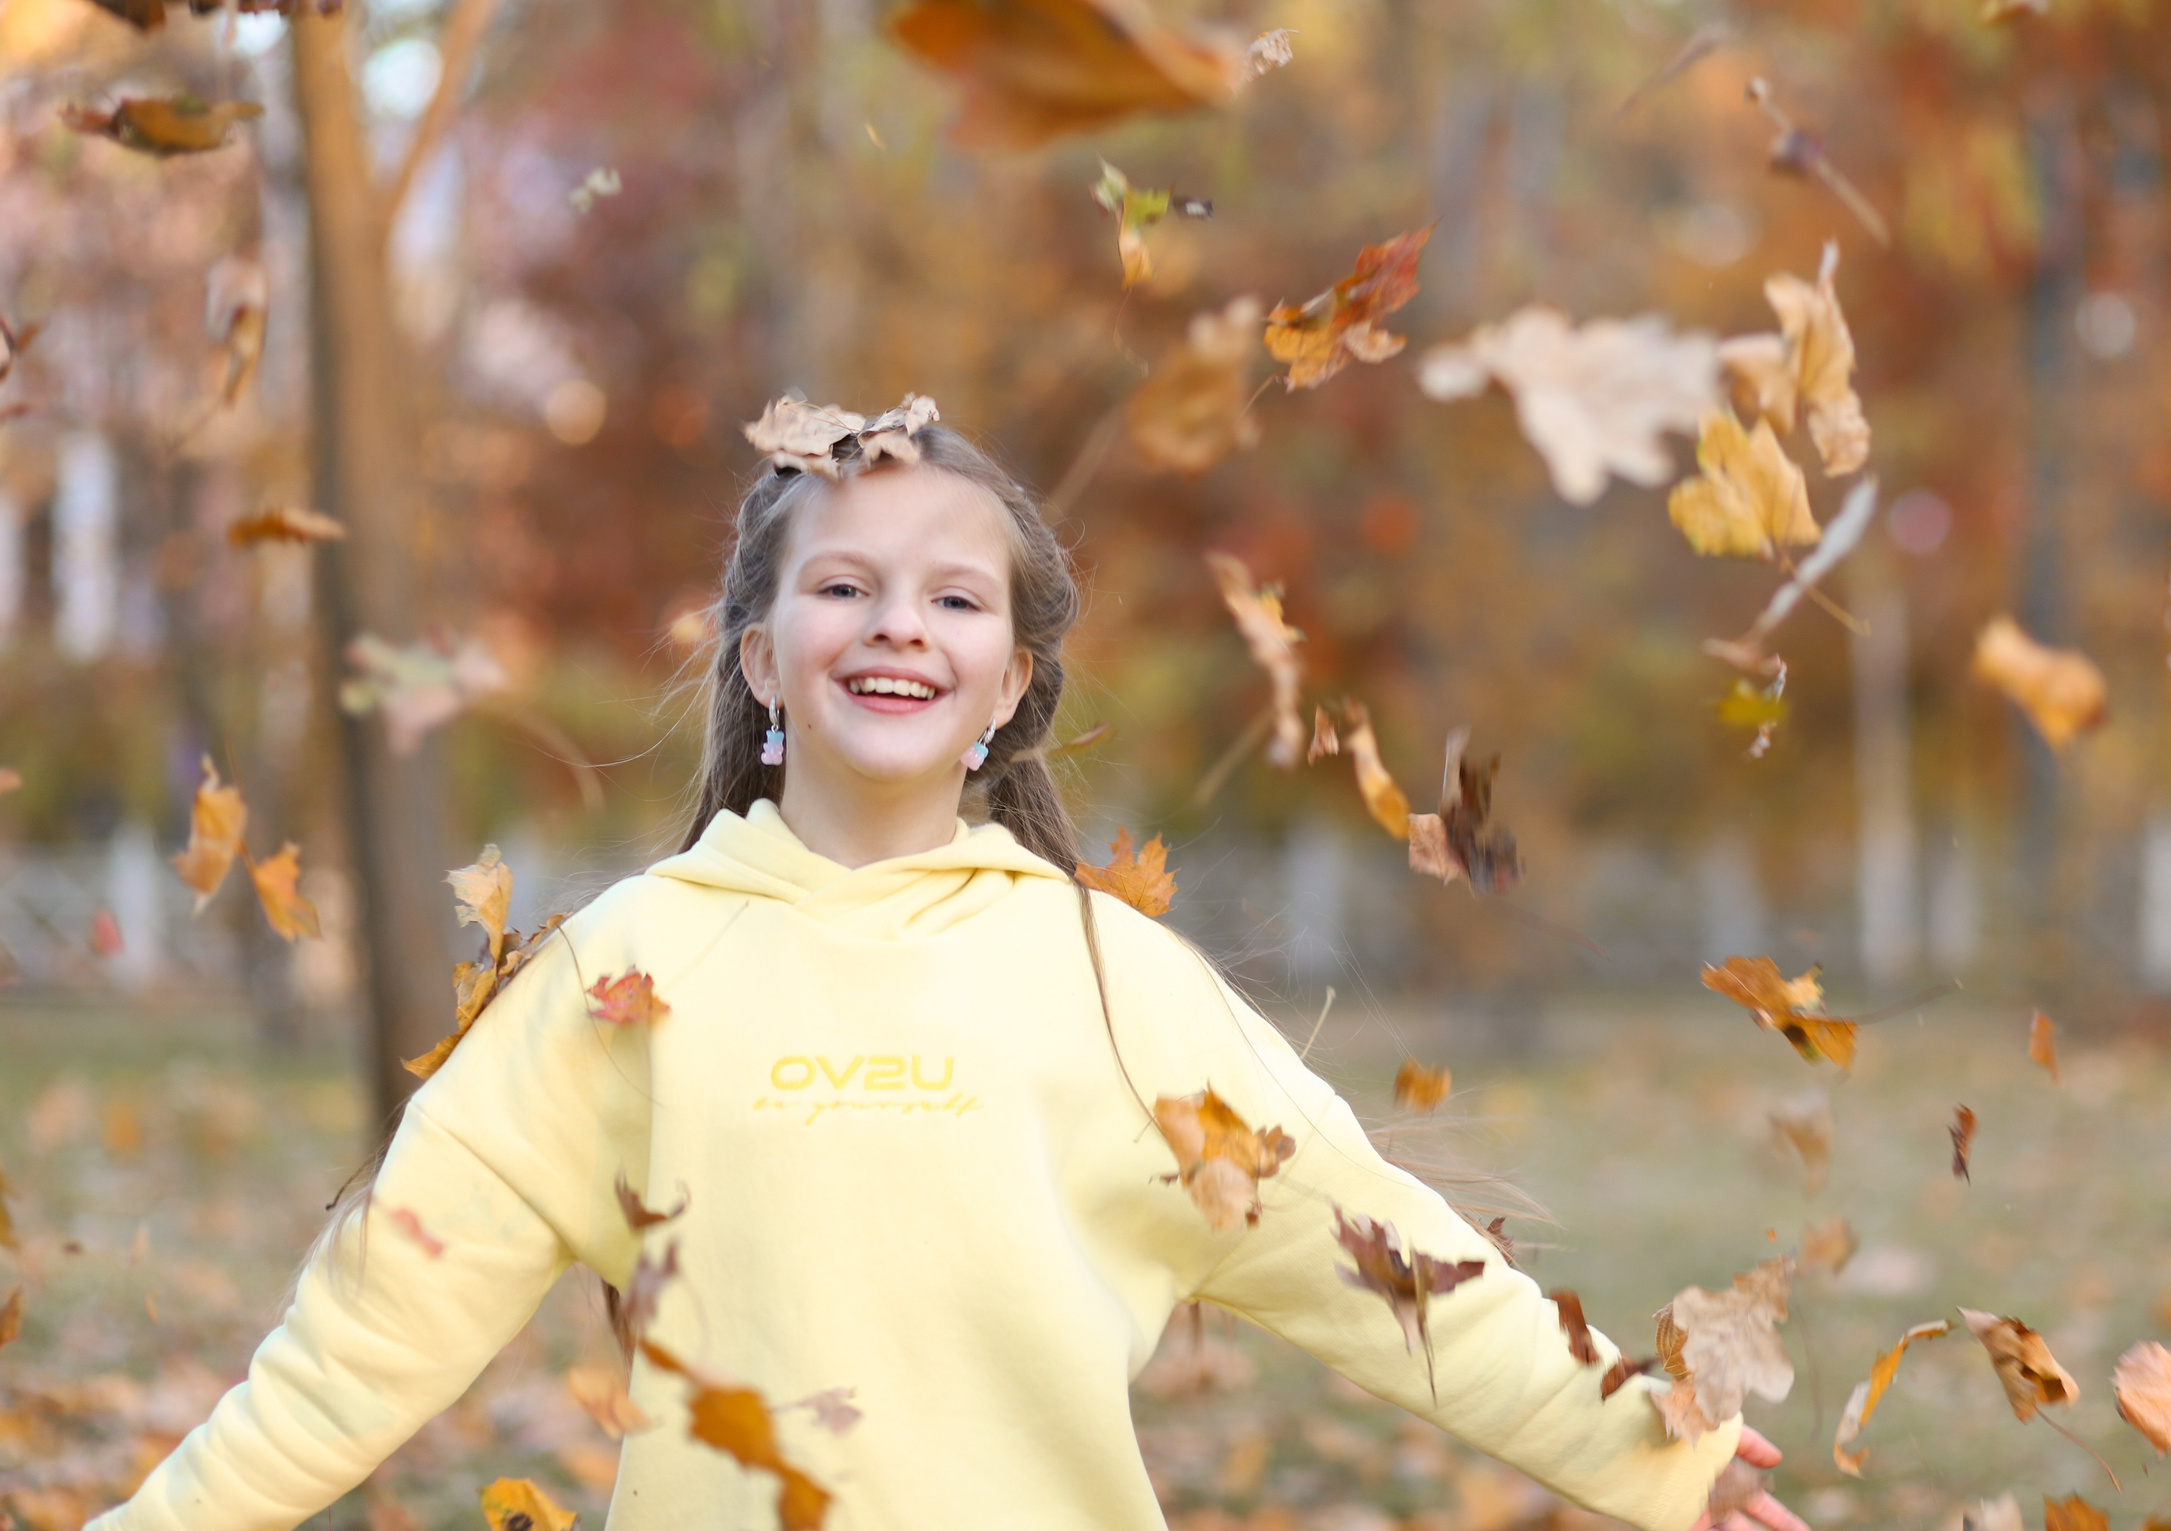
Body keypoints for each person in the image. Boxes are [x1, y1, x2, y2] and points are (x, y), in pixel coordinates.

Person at [87, 406, 1808, 1531]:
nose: (899, 622)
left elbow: (1377, 1256)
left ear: (1010, 686)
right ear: (762, 660)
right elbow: (369, 1334)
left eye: (954, 601)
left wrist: (1648, 1452)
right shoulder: (625, 973)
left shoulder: (1105, 980)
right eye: (846, 586)